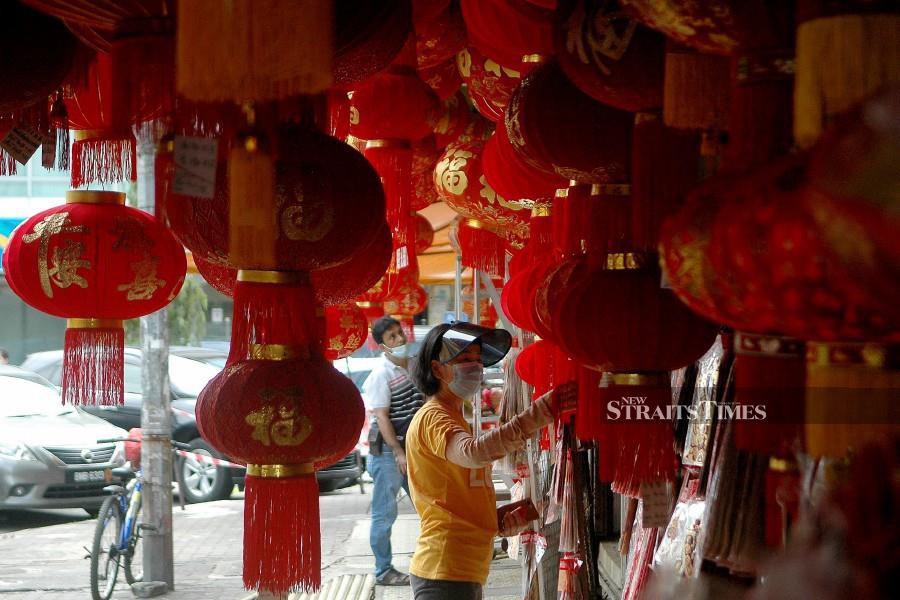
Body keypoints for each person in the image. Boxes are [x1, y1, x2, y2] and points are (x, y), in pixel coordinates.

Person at [405, 322, 574, 599]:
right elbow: (473, 453)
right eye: (463, 360)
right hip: (443, 569)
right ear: (437, 369)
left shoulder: (454, 416)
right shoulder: (434, 417)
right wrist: (537, 414)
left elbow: (452, 503)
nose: (475, 367)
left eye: (476, 359)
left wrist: (495, 520)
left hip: (461, 569)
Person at [362, 316, 425, 586]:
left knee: (428, 507)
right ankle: (383, 570)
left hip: (414, 450)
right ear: (381, 346)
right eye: (392, 337)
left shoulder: (413, 367)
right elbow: (382, 417)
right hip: (390, 453)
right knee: (385, 513)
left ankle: (431, 562)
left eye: (400, 334)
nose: (399, 340)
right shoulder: (380, 375)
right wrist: (398, 452)